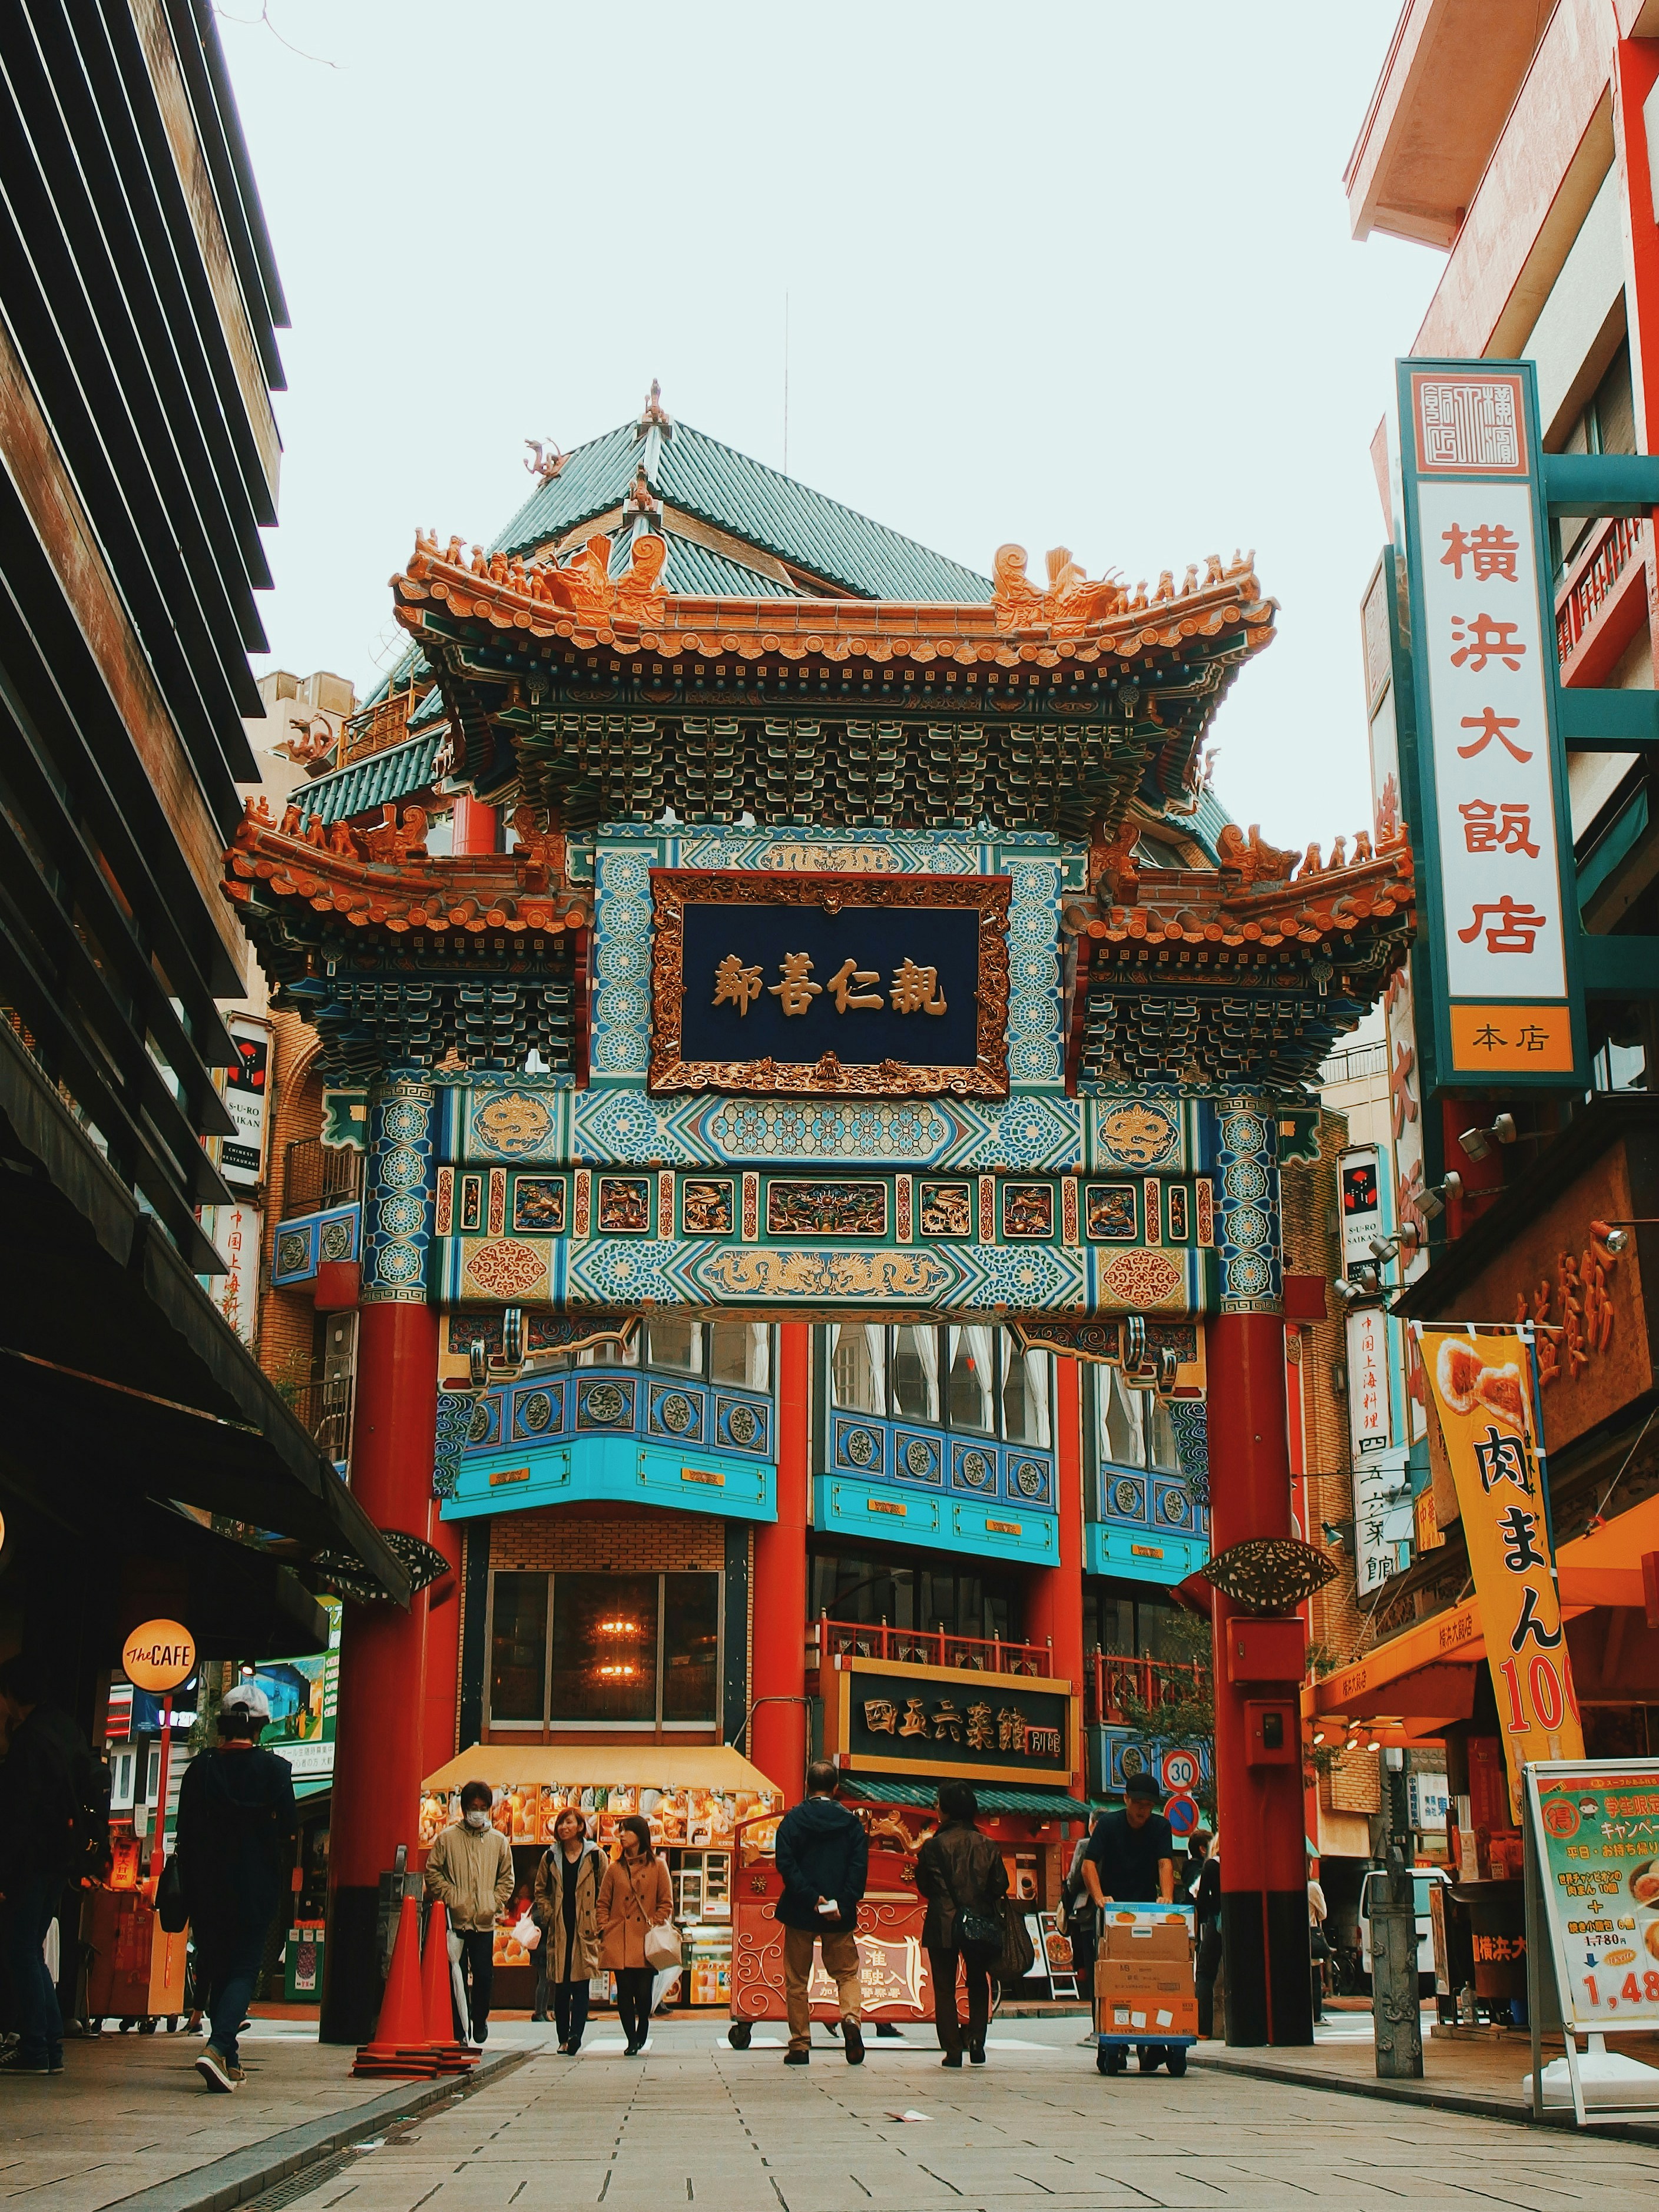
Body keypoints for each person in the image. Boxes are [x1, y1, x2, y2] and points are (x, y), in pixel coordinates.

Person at [175, 1681, 296, 2092]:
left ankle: (229, 2059)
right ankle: (218, 2044)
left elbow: (184, 1830)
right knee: (244, 1968)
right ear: (261, 1727)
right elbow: (291, 1829)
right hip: (256, 1883)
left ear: (222, 1724)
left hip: (207, 1884)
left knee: (217, 1966)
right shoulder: (276, 1771)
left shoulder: (200, 1769)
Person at [0, 1653, 99, 2078]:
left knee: (22, 1949)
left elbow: (18, 1815)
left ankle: (38, 2045)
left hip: (31, 1860)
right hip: (61, 1857)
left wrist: (5, 1872)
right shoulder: (67, 1729)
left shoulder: (29, 1741)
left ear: (10, 1695)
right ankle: (49, 2044)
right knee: (33, 1949)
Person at [771, 1760, 868, 2067]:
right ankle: (851, 2021)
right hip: (839, 1915)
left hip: (801, 1911)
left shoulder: (792, 1821)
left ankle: (800, 2045)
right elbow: (858, 1869)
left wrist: (813, 1898)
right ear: (837, 1788)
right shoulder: (851, 1823)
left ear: (806, 1785)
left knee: (797, 1979)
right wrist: (842, 1902)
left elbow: (786, 1865)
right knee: (846, 1974)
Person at [915, 1780, 1009, 2068]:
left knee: (944, 1987)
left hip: (942, 1923)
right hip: (979, 1923)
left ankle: (953, 2050)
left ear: (947, 1810)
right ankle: (977, 2040)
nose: (936, 1807)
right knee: (978, 1981)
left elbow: (925, 1887)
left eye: (938, 1803)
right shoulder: (988, 1845)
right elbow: (1000, 1885)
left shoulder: (932, 1847)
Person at [424, 1780, 513, 2047]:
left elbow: (507, 1878)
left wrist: (493, 1902)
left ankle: (480, 2018)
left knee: (484, 1975)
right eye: (473, 1807)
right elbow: (433, 1871)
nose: (478, 1812)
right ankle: (459, 2030)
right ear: (463, 1809)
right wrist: (451, 1896)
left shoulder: (499, 1841)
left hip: (484, 1922)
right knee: (456, 1977)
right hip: (455, 1921)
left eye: (483, 1808)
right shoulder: (447, 1838)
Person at [598, 1813, 673, 2055]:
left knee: (643, 1994)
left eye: (626, 1831)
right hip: (619, 1938)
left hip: (646, 1939)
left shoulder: (658, 1866)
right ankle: (631, 2039)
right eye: (620, 1831)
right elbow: (602, 1904)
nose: (620, 1835)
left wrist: (656, 1921)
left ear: (640, 1835)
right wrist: (604, 1928)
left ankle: (643, 2028)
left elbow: (666, 1903)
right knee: (624, 1993)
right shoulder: (614, 1869)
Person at [533, 1806, 604, 2052]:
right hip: (560, 1928)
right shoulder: (550, 1857)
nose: (564, 1827)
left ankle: (576, 2036)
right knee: (561, 1985)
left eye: (569, 1822)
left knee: (581, 1984)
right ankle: (563, 2037)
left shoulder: (596, 1856)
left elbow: (605, 1892)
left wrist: (598, 1919)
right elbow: (540, 1890)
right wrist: (549, 1913)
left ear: (581, 1827)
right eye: (561, 1823)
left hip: (585, 1928)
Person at [1081, 1772, 1176, 1911]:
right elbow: (1088, 1865)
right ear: (1126, 1799)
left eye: (1148, 1804)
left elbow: (1165, 1864)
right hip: (1112, 1904)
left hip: (1147, 1905)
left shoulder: (1161, 1826)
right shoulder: (1107, 1824)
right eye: (1137, 1802)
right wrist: (1100, 1898)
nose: (1142, 1809)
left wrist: (1167, 1898)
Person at [1062, 1816, 1100, 2046]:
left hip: (1088, 1916)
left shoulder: (1087, 1845)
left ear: (1092, 1824)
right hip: (1117, 1914)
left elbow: (1074, 1879)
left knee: (1095, 1974)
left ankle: (1099, 2025)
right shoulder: (1119, 1842)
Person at [1194, 1834, 1222, 2039]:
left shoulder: (1212, 1866)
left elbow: (1202, 1900)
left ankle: (1204, 2029)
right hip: (1247, 1924)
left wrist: (1216, 1910)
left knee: (1205, 1973)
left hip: (1218, 1923)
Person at [1307, 1852, 1328, 2026]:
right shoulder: (1312, 1888)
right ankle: (1316, 2015)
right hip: (1310, 1934)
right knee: (1314, 1978)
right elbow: (1323, 1914)